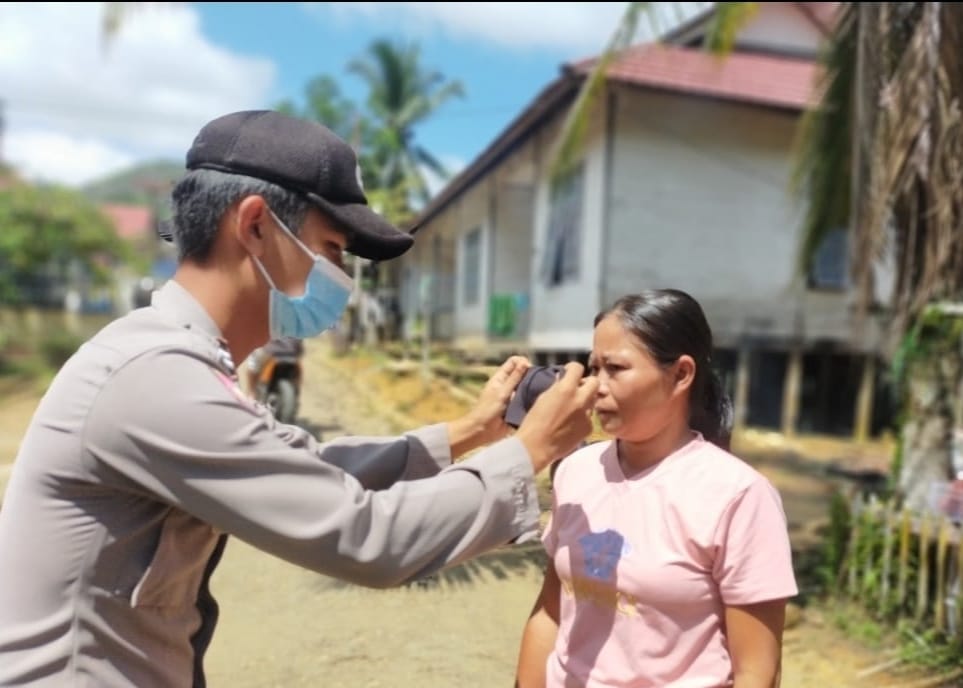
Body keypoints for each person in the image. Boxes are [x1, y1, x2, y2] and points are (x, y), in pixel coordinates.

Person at [0, 110, 599, 687]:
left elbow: (308, 469)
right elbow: (368, 539)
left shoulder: (184, 361)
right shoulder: (156, 377)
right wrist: (531, 449)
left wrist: (471, 431)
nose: (342, 276)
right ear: (256, 225)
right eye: (333, 249)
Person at [515, 290, 798, 688]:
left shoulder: (738, 496)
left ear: (681, 374)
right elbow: (551, 612)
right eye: (594, 367)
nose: (596, 386)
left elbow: (758, 671)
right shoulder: (576, 471)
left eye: (615, 368)